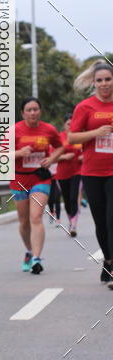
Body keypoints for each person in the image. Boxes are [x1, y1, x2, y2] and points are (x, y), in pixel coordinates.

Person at [68, 61, 113, 286]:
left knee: (112, 219)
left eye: (108, 79)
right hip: (93, 172)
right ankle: (108, 260)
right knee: (101, 222)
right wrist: (96, 132)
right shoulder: (85, 107)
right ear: (94, 82)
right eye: (100, 80)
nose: (104, 84)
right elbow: (72, 138)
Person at [11, 97, 64, 274]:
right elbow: (0, 155)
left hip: (40, 178)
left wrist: (52, 158)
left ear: (40, 111)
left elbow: (60, 147)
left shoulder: (48, 129)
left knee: (36, 217)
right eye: (29, 110)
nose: (33, 112)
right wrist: (19, 152)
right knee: (24, 221)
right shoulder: (14, 130)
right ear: (22, 113)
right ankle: (29, 251)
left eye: (36, 109)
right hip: (18, 179)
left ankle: (36, 258)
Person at [54, 113, 83, 236]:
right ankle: (71, 221)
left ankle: (74, 226)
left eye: (73, 124)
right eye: (68, 124)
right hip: (62, 174)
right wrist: (64, 156)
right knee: (66, 200)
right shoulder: (59, 138)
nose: (70, 126)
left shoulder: (80, 137)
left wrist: (84, 156)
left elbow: (88, 150)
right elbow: (52, 157)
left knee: (73, 198)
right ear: (64, 125)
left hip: (78, 172)